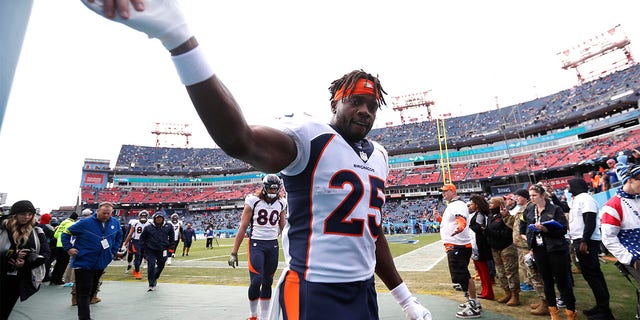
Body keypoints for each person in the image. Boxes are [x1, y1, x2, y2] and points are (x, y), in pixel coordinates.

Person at [81, 2, 431, 319]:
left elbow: (373, 231)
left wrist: (405, 299)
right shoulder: (311, 137)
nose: (365, 111)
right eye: (355, 101)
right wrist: (181, 41)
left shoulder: (381, 155)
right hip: (312, 289)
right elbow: (239, 139)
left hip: (363, 290)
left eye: (372, 106)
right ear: (334, 104)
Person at [228, 174, 288, 320]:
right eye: (271, 188)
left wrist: (291, 251)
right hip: (256, 243)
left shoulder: (281, 203)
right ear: (264, 187)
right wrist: (234, 252)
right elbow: (243, 227)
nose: (273, 192)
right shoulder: (253, 200)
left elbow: (283, 228)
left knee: (268, 281)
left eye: (275, 189)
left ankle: (264, 317)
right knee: (256, 281)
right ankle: (253, 315)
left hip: (272, 244)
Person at [521, 184, 576, 320]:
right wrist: (530, 240)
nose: (532, 198)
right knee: (547, 281)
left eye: (534, 196)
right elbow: (524, 226)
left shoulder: (555, 209)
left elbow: (563, 229)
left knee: (563, 282)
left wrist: (547, 230)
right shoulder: (529, 209)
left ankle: (571, 313)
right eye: (530, 196)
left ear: (543, 196)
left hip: (556, 249)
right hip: (539, 250)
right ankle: (554, 314)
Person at [61, 202, 123, 320]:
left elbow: (119, 236)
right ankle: (84, 317)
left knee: (93, 289)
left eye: (108, 213)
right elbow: (65, 233)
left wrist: (113, 251)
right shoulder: (84, 222)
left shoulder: (115, 223)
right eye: (103, 213)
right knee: (84, 290)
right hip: (84, 261)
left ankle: (84, 313)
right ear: (98, 211)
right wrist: (68, 248)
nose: (105, 215)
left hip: (102, 262)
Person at [566, 177, 613, 319]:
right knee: (591, 274)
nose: (568, 188)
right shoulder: (578, 199)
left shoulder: (586, 199)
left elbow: (590, 220)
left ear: (576, 185)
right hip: (582, 240)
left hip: (586, 241)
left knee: (593, 274)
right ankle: (601, 306)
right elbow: (566, 208)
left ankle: (605, 311)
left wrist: (584, 241)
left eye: (569, 185)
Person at [0, 200, 51, 320]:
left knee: (5, 309)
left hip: (19, 277)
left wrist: (27, 262)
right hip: (2, 271)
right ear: (15, 214)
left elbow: (46, 253)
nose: (27, 217)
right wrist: (11, 255)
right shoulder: (2, 228)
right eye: (23, 213)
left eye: (30, 214)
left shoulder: (37, 231)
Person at [602, 163, 640, 320]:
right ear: (630, 180)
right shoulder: (613, 205)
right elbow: (608, 238)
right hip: (634, 257)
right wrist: (630, 259)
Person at [439, 184, 480, 319]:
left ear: (452, 191)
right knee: (462, 275)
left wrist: (460, 227)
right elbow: (450, 223)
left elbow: (461, 220)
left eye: (445, 192)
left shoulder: (457, 205)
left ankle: (473, 305)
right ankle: (471, 301)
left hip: (458, 245)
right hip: (456, 244)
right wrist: (439, 219)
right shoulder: (454, 204)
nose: (443, 194)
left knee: (462, 276)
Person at [511, 189, 548, 316]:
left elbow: (530, 227)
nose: (516, 199)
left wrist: (530, 244)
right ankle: (543, 300)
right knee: (532, 275)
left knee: (536, 275)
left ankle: (546, 302)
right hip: (523, 244)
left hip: (529, 246)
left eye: (518, 197)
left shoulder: (531, 208)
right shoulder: (524, 208)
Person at [486, 197, 521, 307]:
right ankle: (507, 292)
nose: (490, 204)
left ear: (499, 204)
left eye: (492, 203)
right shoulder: (490, 216)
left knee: (511, 272)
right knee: (501, 273)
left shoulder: (506, 216)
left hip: (506, 247)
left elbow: (507, 233)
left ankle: (515, 295)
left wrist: (490, 232)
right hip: (495, 248)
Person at [467, 194, 494, 301]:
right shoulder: (478, 213)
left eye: (472, 204)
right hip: (476, 245)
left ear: (477, 205)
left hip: (480, 246)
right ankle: (485, 291)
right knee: (480, 270)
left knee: (484, 270)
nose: (470, 206)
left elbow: (479, 227)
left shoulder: (480, 214)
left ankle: (488, 292)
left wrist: (468, 225)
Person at [139, 212, 175, 291]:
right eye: (157, 218)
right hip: (150, 250)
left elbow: (172, 239)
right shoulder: (148, 228)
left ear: (163, 219)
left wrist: (171, 249)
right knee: (151, 266)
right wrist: (144, 249)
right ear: (154, 219)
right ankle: (151, 284)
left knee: (161, 265)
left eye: (160, 218)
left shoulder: (168, 226)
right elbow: (142, 239)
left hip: (163, 249)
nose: (159, 219)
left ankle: (154, 277)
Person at [50, 211, 78, 285]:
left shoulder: (63, 223)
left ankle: (53, 279)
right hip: (66, 245)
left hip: (58, 245)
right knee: (63, 264)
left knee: (58, 263)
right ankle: (58, 280)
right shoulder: (73, 224)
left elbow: (55, 235)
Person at [123, 210, 151, 280]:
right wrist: (125, 243)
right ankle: (137, 272)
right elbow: (130, 234)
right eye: (142, 216)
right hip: (136, 242)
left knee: (142, 257)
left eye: (144, 216)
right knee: (137, 257)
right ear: (139, 216)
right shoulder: (135, 223)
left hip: (145, 242)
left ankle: (136, 270)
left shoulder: (150, 223)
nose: (143, 217)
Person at [37, 213, 56, 283]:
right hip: (47, 245)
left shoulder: (37, 226)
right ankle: (45, 276)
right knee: (47, 261)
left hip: (37, 246)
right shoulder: (49, 227)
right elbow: (53, 237)